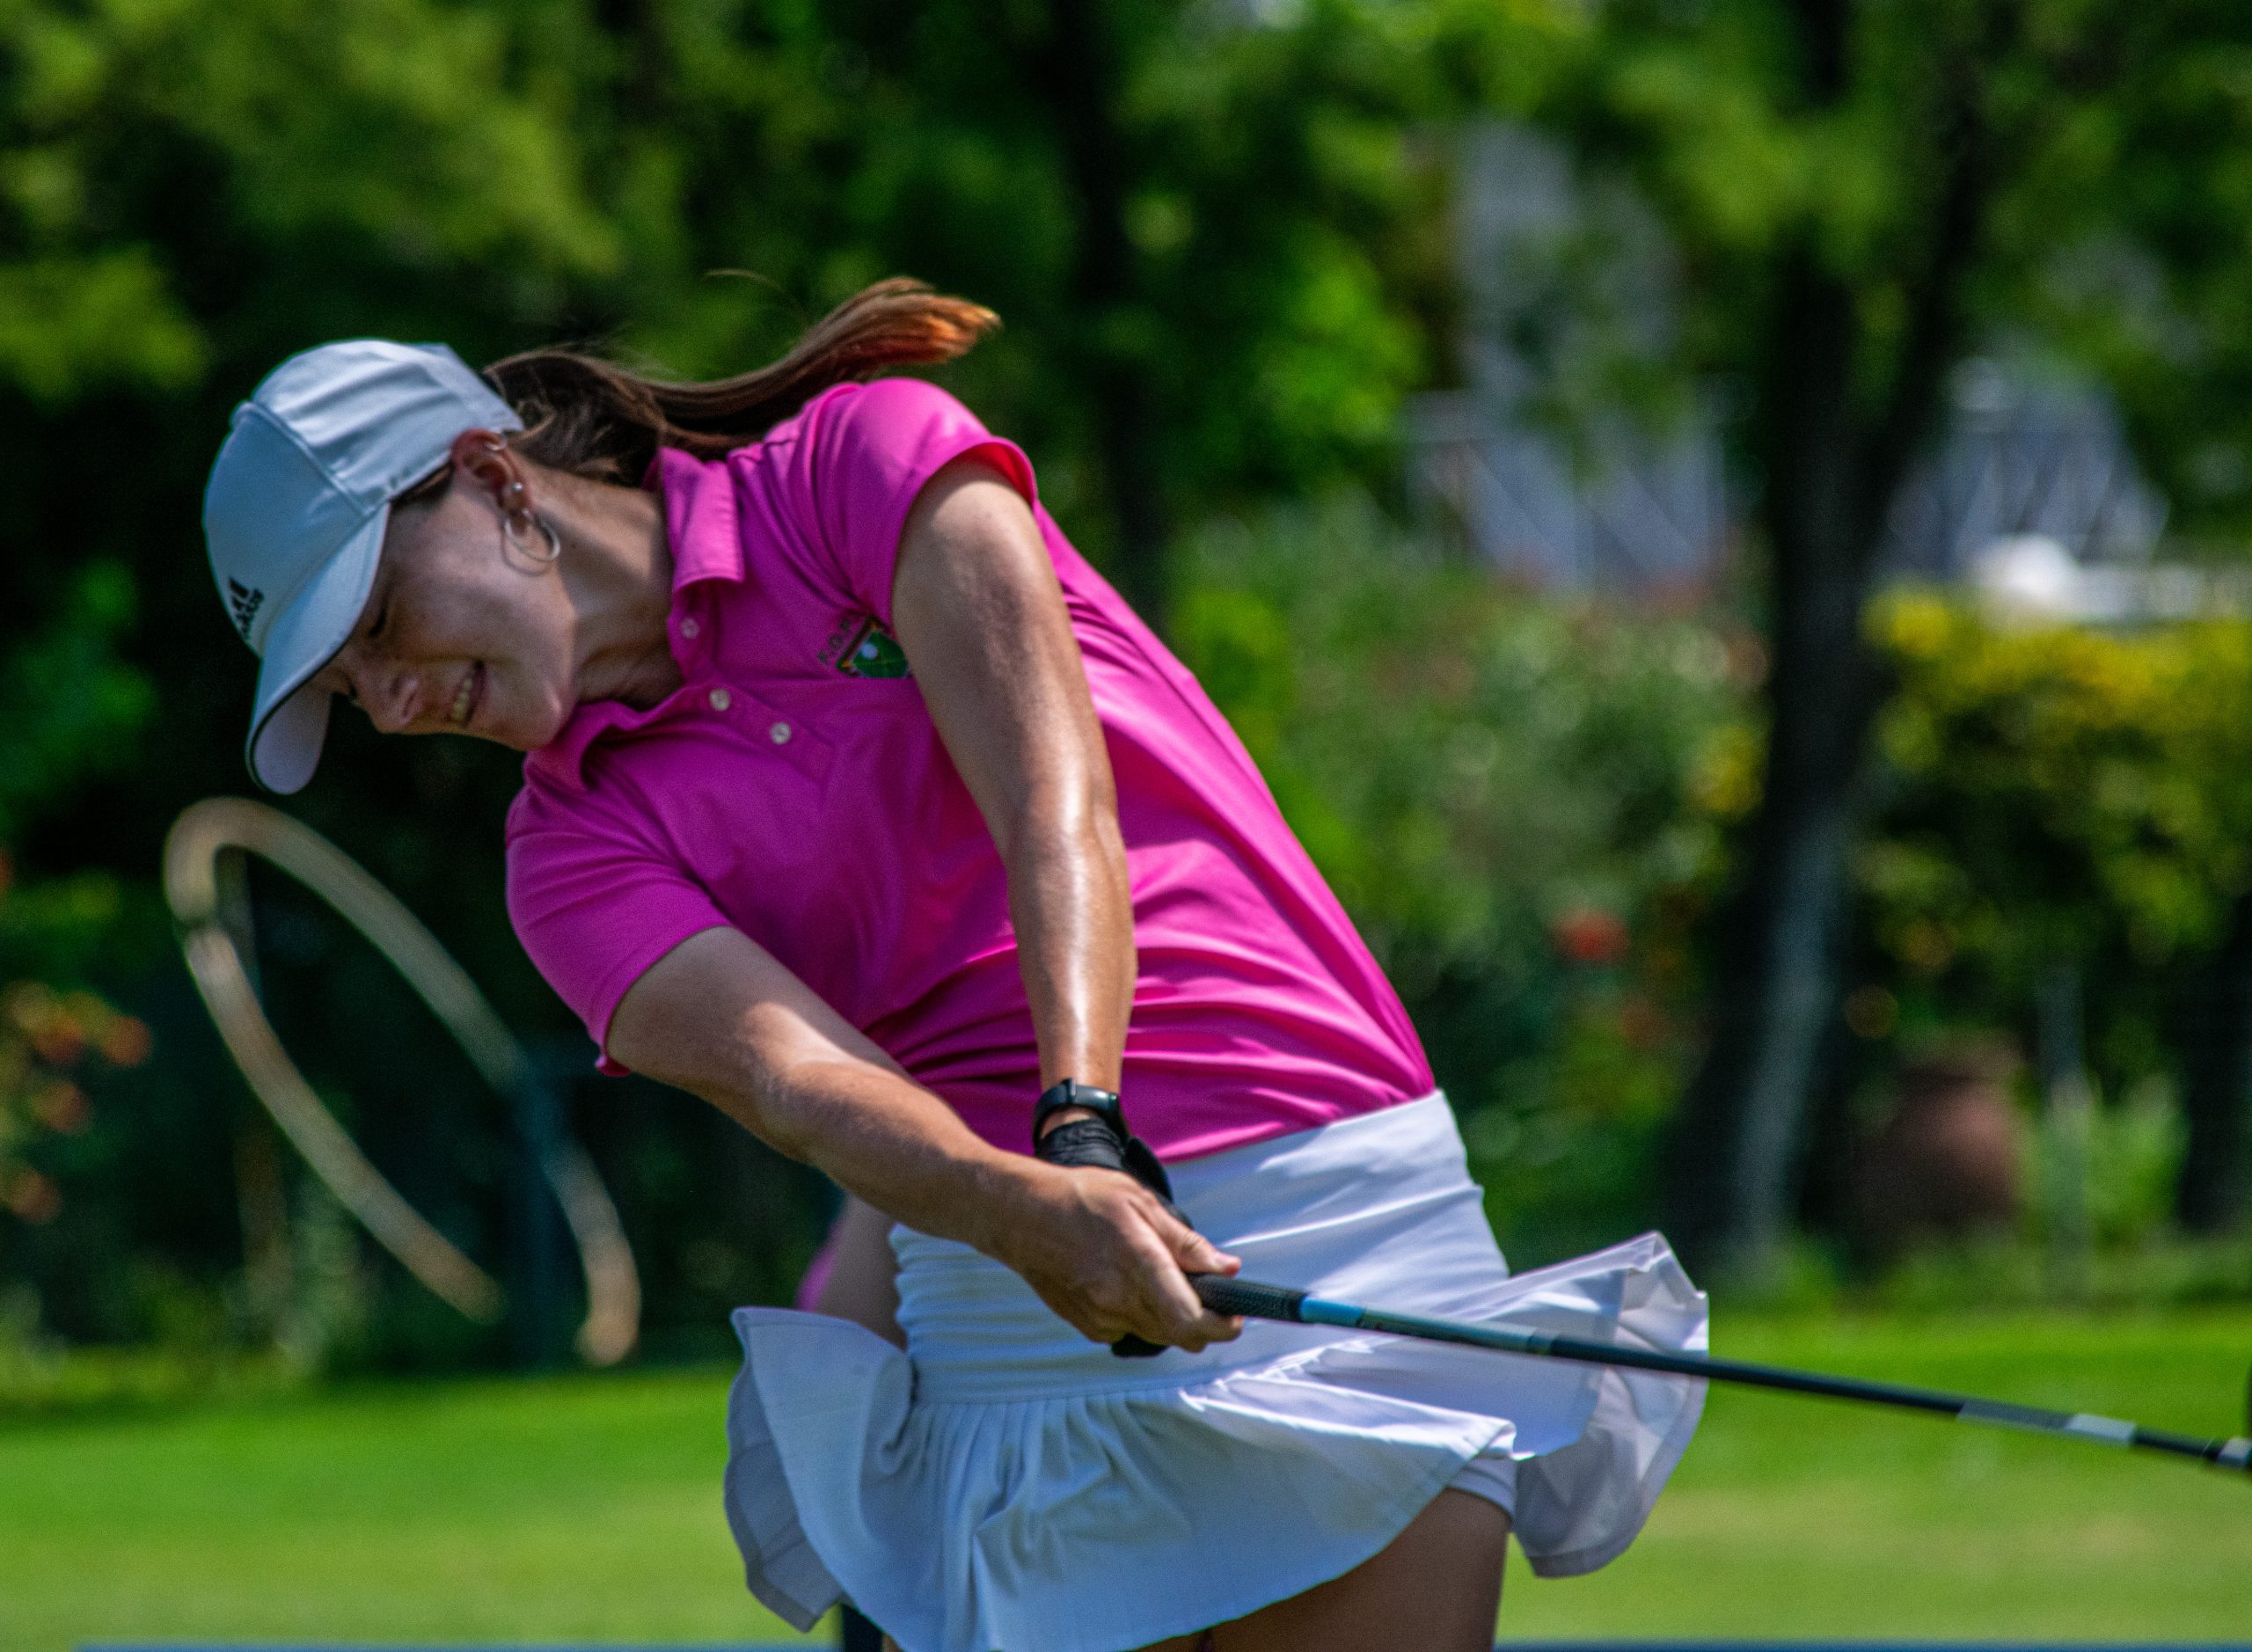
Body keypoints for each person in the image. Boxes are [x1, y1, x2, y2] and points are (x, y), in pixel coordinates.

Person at [201, 280, 1707, 1652]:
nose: (389, 700)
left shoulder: (859, 466)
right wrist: (1025, 1204)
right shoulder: (564, 856)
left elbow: (1053, 793)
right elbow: (799, 1080)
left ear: (489, 473)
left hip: (1335, 1201)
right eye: (346, 687)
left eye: (379, 622)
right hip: (1016, 1301)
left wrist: (1080, 1124)